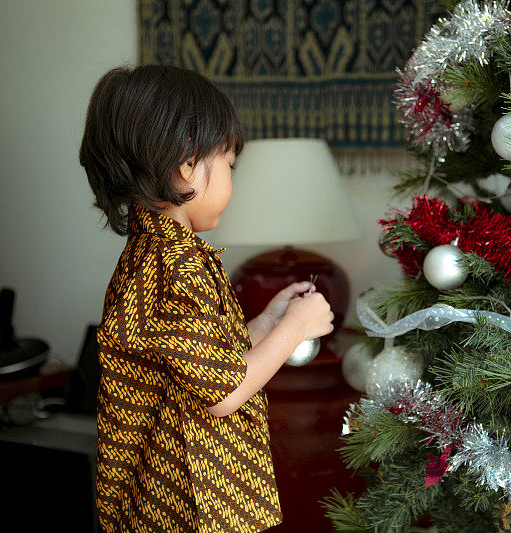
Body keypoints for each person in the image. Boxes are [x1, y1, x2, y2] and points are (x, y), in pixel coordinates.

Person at [79, 64, 334, 533]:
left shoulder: (153, 254)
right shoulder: (175, 266)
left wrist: (268, 321)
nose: (232, 182)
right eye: (229, 165)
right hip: (182, 498)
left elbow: (202, 362)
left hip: (170, 493)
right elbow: (223, 392)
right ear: (186, 165)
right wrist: (297, 328)